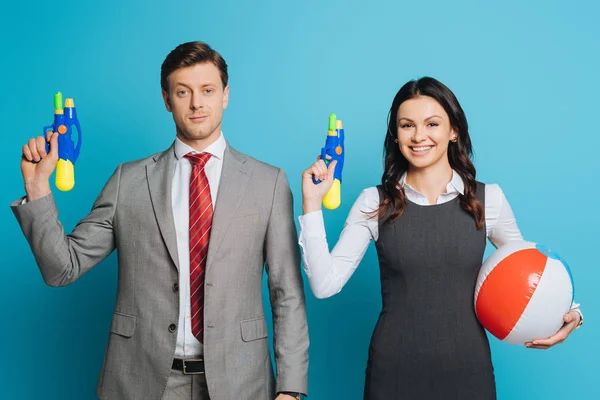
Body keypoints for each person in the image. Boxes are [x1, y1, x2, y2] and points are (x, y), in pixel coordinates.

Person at [11, 41, 308, 400]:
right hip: (142, 381)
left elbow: (286, 293)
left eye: (207, 90)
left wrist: (290, 390)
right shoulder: (129, 181)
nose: (197, 103)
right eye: (183, 92)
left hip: (241, 382)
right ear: (167, 100)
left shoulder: (268, 183)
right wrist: (38, 187)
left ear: (225, 95)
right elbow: (62, 269)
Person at [299, 77, 583, 399]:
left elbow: (529, 270)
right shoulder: (373, 202)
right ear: (395, 134)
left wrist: (572, 312)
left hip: (469, 375)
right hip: (392, 376)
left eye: (432, 123)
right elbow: (325, 285)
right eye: (407, 125)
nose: (419, 136)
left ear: (453, 131)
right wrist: (311, 203)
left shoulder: (488, 199)